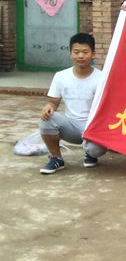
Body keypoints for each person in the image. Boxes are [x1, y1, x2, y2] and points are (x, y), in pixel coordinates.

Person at [38, 33, 107, 174]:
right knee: (47, 118)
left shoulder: (102, 78)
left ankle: (90, 153)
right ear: (70, 54)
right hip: (71, 127)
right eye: (76, 52)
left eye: (85, 52)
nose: (80, 56)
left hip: (94, 127)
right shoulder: (61, 76)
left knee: (95, 149)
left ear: (93, 54)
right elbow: (53, 103)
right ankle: (56, 158)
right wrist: (48, 107)